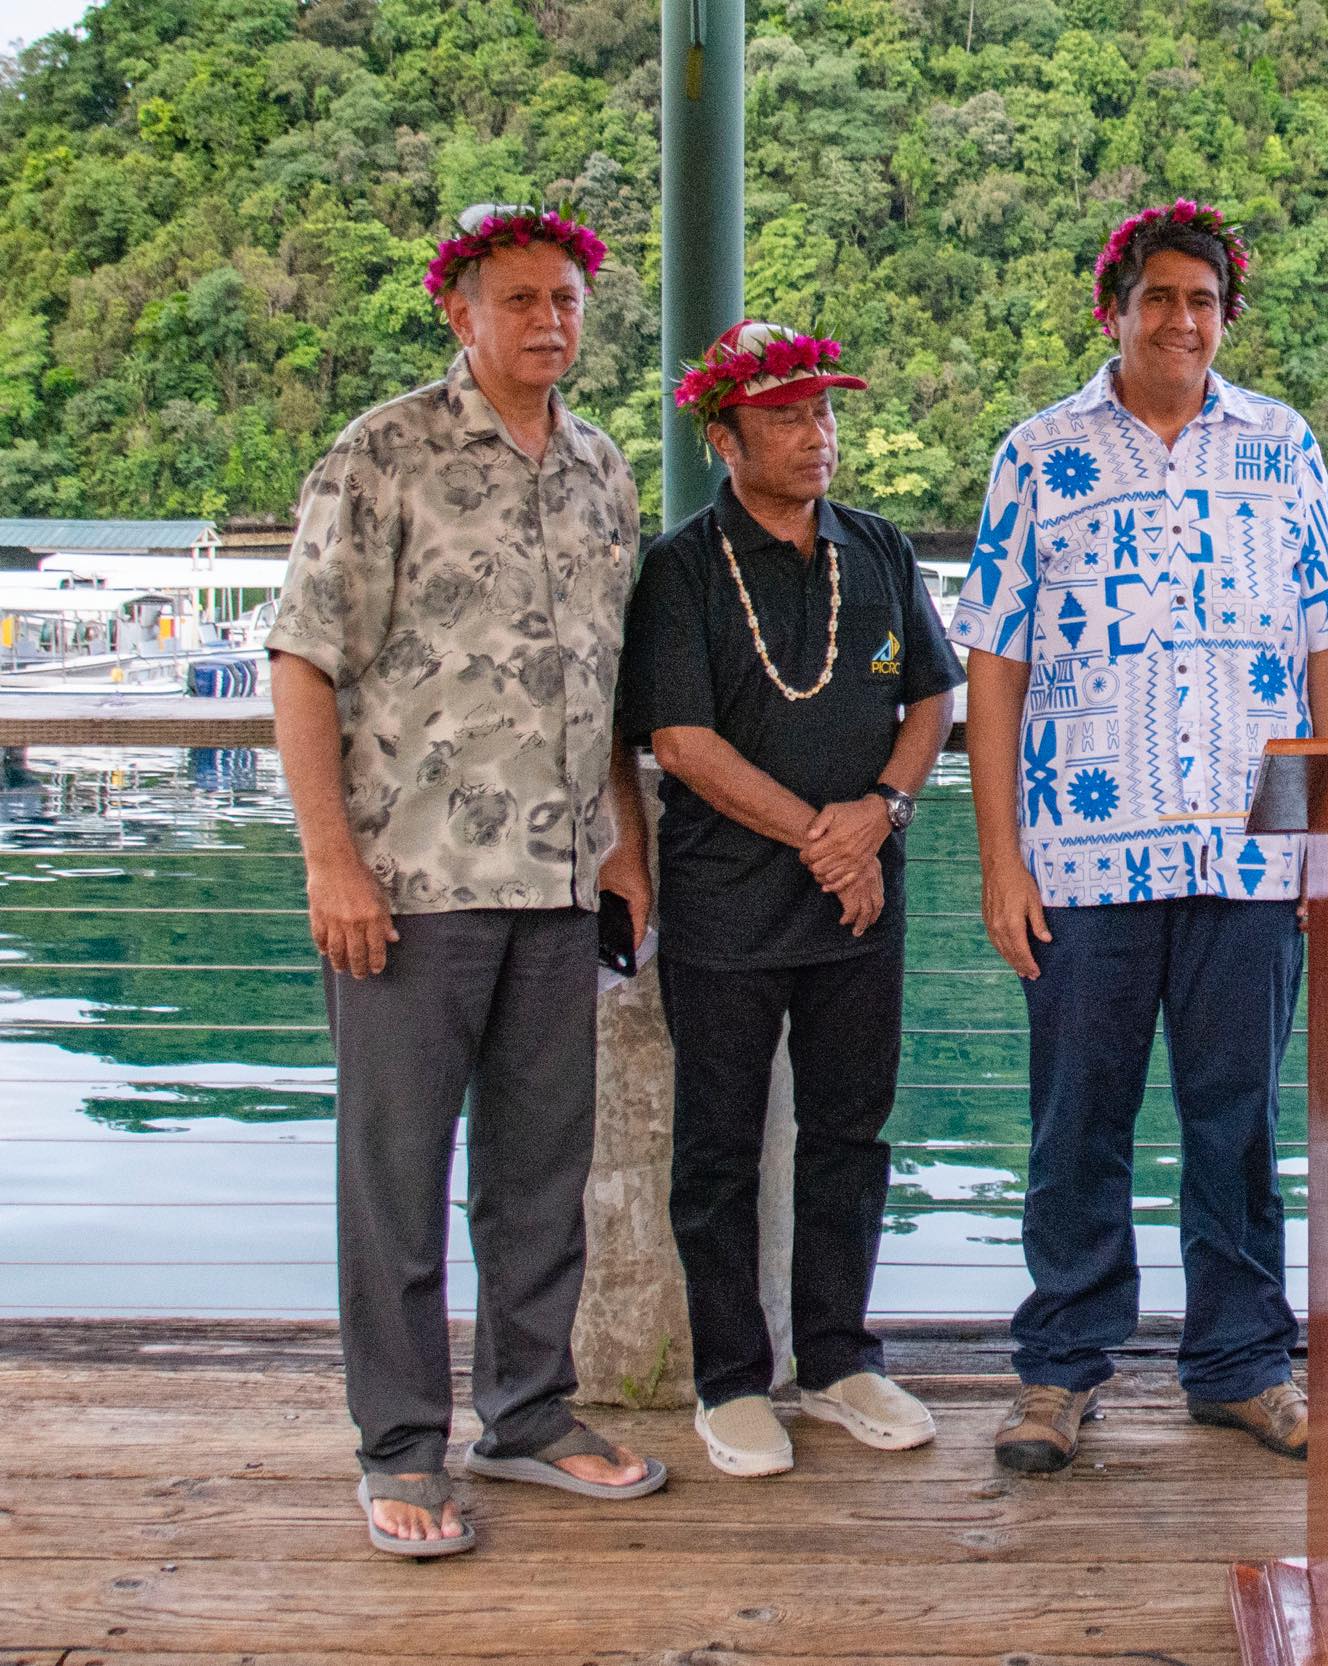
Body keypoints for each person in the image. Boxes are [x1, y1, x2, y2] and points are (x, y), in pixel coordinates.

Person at [268, 203, 664, 1558]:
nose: (547, 322)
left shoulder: (605, 471)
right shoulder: (382, 452)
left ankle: (530, 1412)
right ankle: (397, 1443)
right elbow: (301, 661)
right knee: (396, 1175)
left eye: (564, 299)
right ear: (460, 310)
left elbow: (604, 687)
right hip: (409, 879)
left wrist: (625, 847)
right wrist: (332, 860)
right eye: (518, 300)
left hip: (558, 885)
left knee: (538, 1173)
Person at [951, 198, 1328, 1474]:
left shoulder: (1282, 449)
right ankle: (1060, 1367)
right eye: (1157, 299)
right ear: (1114, 313)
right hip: (1083, 848)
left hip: (1250, 850)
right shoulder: (1039, 453)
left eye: (1201, 300)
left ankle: (1238, 1362)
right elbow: (997, 658)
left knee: (1234, 1118)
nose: (1179, 320)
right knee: (1077, 1116)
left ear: (1223, 317)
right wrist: (999, 856)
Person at [616, 321, 964, 1476]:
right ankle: (730, 1378)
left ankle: (835, 1359)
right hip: (726, 901)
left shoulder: (877, 547)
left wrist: (880, 818)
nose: (816, 436)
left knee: (849, 1134)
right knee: (717, 1148)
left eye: (824, 415)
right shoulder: (680, 568)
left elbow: (930, 701)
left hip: (862, 901)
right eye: (785, 418)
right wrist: (826, 835)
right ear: (723, 437)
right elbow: (680, 739)